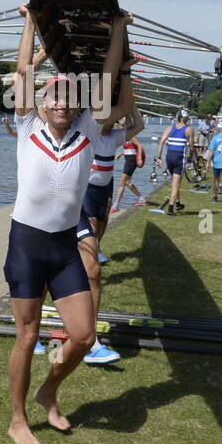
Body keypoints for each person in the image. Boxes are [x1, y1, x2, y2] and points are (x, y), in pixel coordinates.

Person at [1, 4, 128, 444]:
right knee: (29, 334)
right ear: (41, 101)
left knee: (83, 335)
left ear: (77, 107)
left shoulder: (88, 132)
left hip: (63, 247)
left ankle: (48, 390)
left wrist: (117, 30)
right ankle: (17, 419)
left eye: (69, 98)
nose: (61, 102)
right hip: (27, 244)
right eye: (53, 94)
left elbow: (109, 79)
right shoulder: (28, 125)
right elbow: (22, 69)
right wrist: (31, 21)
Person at [75, 61, 141, 367]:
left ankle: (88, 341)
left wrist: (131, 101)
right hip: (81, 195)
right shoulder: (83, 127)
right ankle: (36, 331)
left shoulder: (112, 135)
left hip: (100, 191)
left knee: (95, 253)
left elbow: (134, 122)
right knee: (78, 266)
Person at [154, 110, 194, 215]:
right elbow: (192, 146)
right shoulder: (189, 129)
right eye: (187, 118)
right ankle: (171, 209)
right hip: (179, 157)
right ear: (185, 118)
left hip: (169, 157)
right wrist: (190, 157)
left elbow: (161, 142)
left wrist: (158, 157)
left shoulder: (169, 128)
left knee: (174, 182)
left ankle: (178, 204)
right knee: (176, 185)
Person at [111, 132, 147, 213]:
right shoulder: (124, 135)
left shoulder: (130, 135)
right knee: (127, 182)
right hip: (129, 160)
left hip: (131, 161)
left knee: (121, 183)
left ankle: (116, 205)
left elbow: (139, 146)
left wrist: (140, 159)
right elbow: (131, 149)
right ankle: (141, 199)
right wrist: (121, 154)